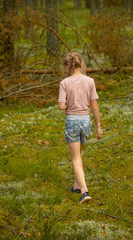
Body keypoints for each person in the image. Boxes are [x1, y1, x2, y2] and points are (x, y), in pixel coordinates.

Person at [58, 52, 103, 203]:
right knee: (79, 154)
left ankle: (84, 191)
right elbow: (94, 105)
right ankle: (77, 184)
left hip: (72, 121)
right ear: (81, 65)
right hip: (86, 122)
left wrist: (65, 104)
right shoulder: (90, 81)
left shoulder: (64, 83)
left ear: (66, 66)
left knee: (76, 158)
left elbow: (61, 106)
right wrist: (98, 126)